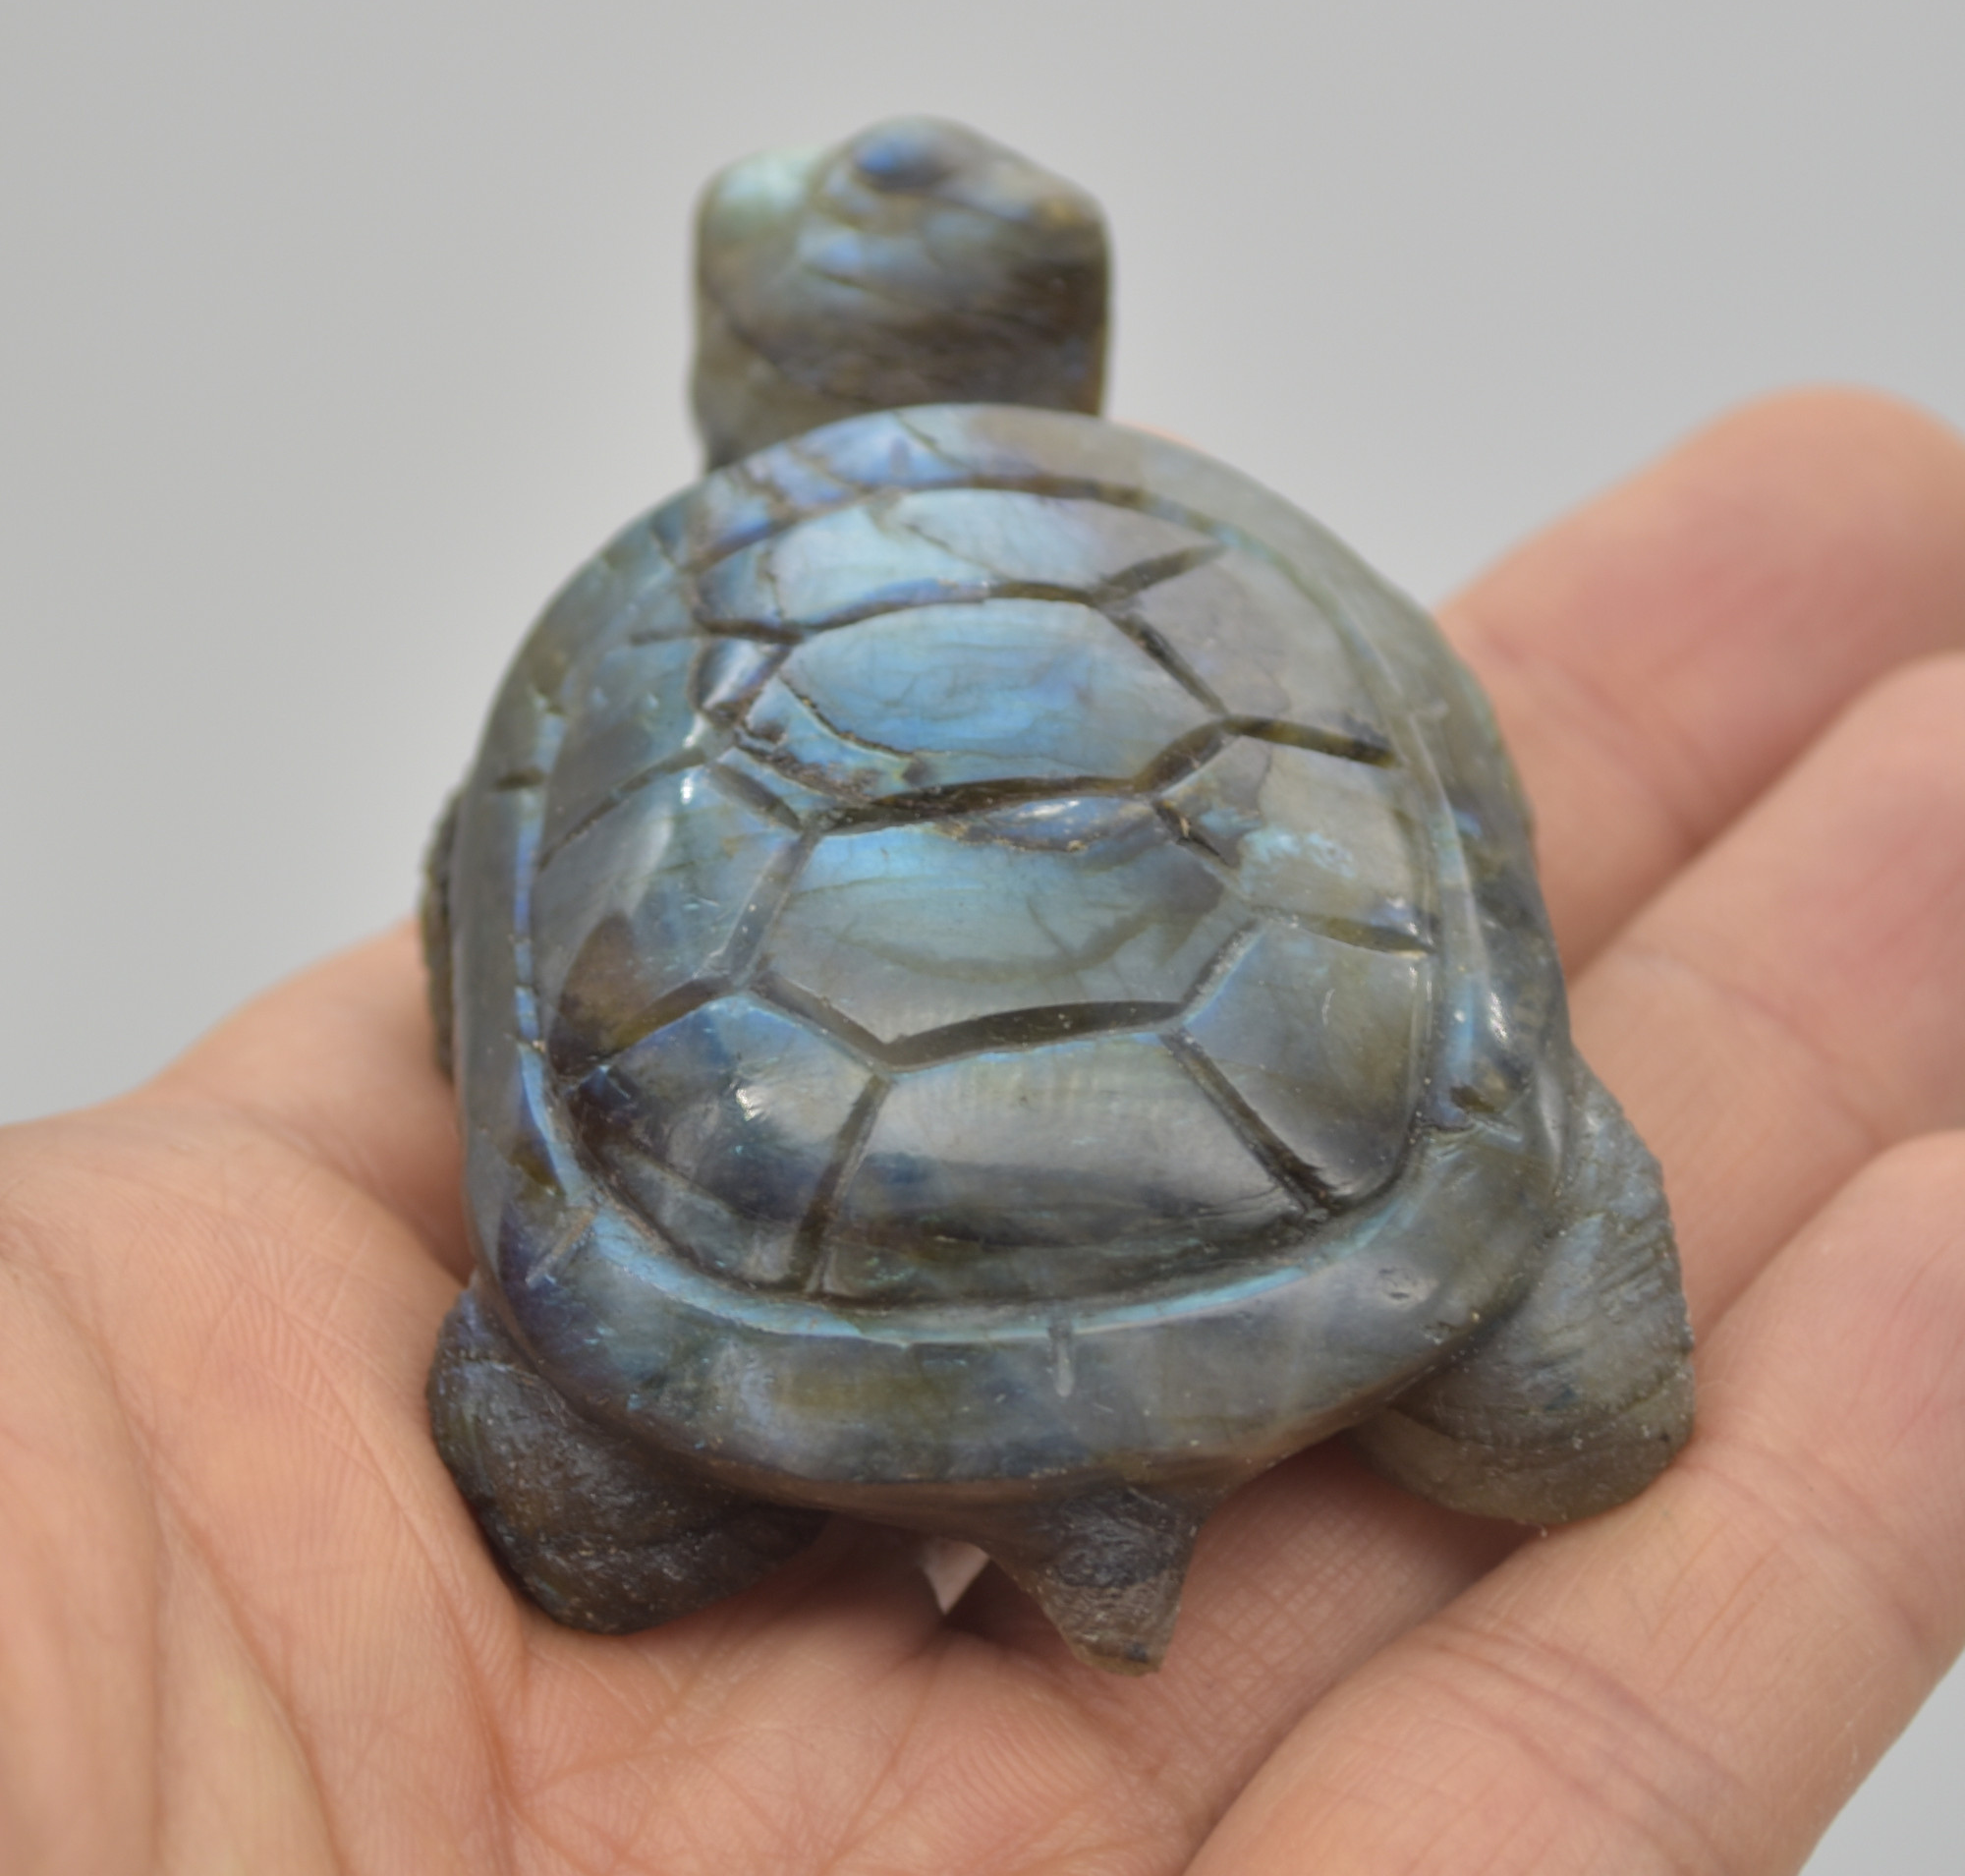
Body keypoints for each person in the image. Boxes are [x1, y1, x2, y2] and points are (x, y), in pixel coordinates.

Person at [4, 388, 1963, 1874]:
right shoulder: (1223, 551)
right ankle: (1497, 1363)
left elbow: (492, 915)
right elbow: (1453, 826)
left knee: (594, 1520)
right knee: (1570, 1414)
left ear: (740, 358)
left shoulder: (650, 607)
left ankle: (695, 1468)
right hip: (1341, 1236)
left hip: (740, 1277)